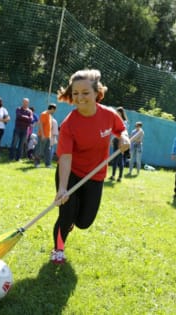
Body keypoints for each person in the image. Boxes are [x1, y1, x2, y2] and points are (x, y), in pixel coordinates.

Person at [51, 69, 130, 264]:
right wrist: (62, 188)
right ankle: (58, 249)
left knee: (84, 222)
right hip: (71, 173)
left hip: (96, 175)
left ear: (97, 93)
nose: (80, 97)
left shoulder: (109, 115)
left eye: (85, 92)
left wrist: (124, 138)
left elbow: (121, 130)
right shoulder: (69, 124)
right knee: (66, 213)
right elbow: (66, 158)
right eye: (75, 93)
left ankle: (71, 222)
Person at [109, 106, 128, 182]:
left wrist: (122, 141)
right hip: (115, 141)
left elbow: (124, 133)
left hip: (121, 141)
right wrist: (111, 140)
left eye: (118, 113)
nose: (117, 114)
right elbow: (113, 132)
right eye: (116, 113)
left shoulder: (125, 122)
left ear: (121, 113)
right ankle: (113, 176)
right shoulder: (115, 121)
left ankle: (120, 177)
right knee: (114, 159)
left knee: (120, 159)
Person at [34, 103, 57, 168]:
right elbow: (41, 124)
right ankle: (37, 163)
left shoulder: (49, 115)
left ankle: (48, 164)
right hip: (42, 135)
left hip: (48, 136)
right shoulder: (44, 114)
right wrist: (43, 135)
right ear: (52, 109)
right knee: (39, 150)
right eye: (54, 110)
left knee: (48, 150)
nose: (54, 111)